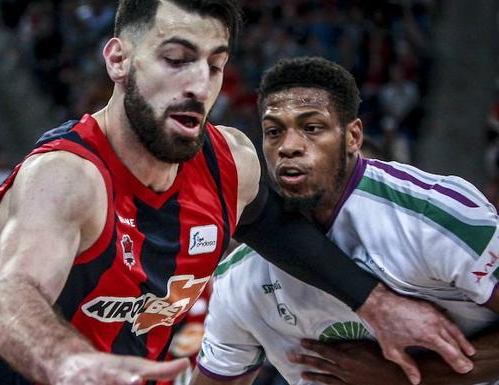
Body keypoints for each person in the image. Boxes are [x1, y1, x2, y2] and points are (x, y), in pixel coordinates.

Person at [0, 2, 474, 385]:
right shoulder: (66, 177)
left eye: (215, 65)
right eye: (176, 58)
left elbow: (277, 230)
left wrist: (376, 304)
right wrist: (69, 364)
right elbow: (11, 300)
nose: (199, 84)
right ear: (119, 60)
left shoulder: (228, 162)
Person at [191, 57, 499, 385]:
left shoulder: (435, 214)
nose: (288, 147)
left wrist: (402, 378)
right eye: (273, 132)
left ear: (353, 137)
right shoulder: (239, 277)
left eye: (312, 128)